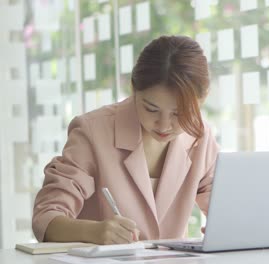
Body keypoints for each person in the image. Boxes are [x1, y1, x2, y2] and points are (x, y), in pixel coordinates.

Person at [32, 35, 219, 245]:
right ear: (133, 88)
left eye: (180, 113)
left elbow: (226, 208)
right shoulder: (93, 131)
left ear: (204, 98)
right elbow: (46, 217)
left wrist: (226, 226)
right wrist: (93, 232)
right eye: (151, 109)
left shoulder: (200, 137)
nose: (164, 125)